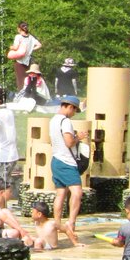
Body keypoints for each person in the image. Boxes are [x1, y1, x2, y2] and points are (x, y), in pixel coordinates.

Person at [50, 94, 87, 246]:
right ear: (70, 107)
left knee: (61, 193)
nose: (73, 114)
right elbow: (69, 142)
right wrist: (79, 137)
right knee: (77, 192)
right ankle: (71, 223)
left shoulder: (53, 120)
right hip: (66, 162)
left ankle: (58, 224)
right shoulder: (66, 122)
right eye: (74, 110)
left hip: (55, 160)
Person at [8, 21, 41, 89]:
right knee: (28, 79)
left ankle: (22, 96)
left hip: (20, 61)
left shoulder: (18, 37)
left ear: (19, 29)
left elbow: (16, 47)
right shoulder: (31, 37)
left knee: (21, 81)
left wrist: (10, 47)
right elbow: (39, 45)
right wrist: (31, 49)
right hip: (28, 61)